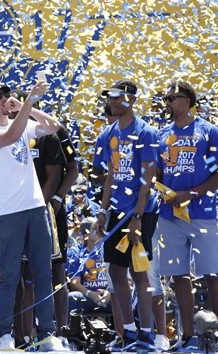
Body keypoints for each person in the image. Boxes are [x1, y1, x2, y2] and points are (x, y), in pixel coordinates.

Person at [0, 82, 68, 351]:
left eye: (6, 95)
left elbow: (54, 127)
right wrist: (26, 105)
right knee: (9, 276)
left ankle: (47, 335)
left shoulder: (23, 122)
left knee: (43, 274)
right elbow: (8, 137)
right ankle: (5, 334)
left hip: (36, 207)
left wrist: (27, 109)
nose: (5, 99)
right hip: (7, 212)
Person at [93, 79, 158, 350]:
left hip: (140, 212)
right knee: (115, 270)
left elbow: (148, 179)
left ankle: (147, 333)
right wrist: (102, 211)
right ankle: (128, 332)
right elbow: (109, 176)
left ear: (130, 99)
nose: (110, 101)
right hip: (117, 212)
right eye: (109, 97)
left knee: (139, 271)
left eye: (116, 97)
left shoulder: (146, 132)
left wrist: (137, 218)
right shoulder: (107, 134)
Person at [155, 80, 218, 351]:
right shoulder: (161, 134)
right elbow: (157, 173)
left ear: (188, 101)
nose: (167, 103)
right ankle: (189, 337)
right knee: (177, 276)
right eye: (166, 98)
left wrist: (191, 194)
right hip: (170, 215)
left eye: (172, 98)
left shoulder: (209, 131)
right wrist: (160, 191)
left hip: (202, 213)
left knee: (211, 274)